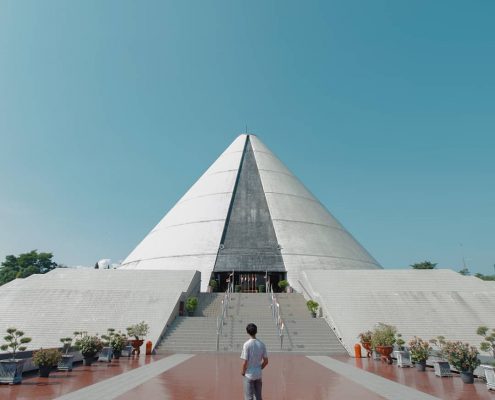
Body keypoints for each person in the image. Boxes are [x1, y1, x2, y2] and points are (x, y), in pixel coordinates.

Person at [240, 323, 268, 400]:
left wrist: (243, 371)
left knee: (249, 397)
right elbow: (266, 361)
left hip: (249, 374)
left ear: (247, 332)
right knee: (258, 396)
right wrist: (259, 368)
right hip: (258, 374)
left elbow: (245, 361)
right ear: (256, 331)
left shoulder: (246, 344)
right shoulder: (262, 344)